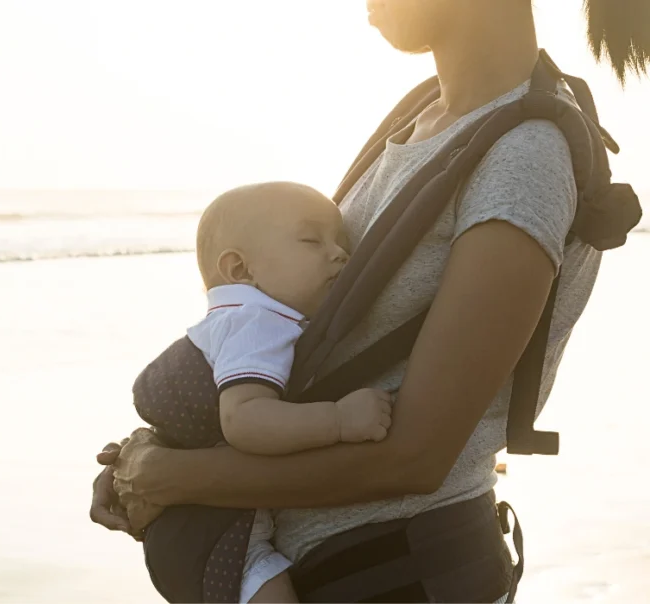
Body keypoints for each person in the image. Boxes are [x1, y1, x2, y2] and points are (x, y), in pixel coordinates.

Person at [90, 1, 650, 601]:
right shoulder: (417, 115)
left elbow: (415, 458)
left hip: (398, 571)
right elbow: (312, 345)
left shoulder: (523, 157)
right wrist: (148, 458)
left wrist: (176, 479)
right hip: (327, 566)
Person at [137, 182, 394, 603]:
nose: (339, 253)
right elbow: (243, 420)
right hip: (226, 539)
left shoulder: (235, 319)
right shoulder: (257, 322)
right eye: (312, 240)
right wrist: (339, 420)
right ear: (241, 270)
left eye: (341, 241)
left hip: (203, 527)